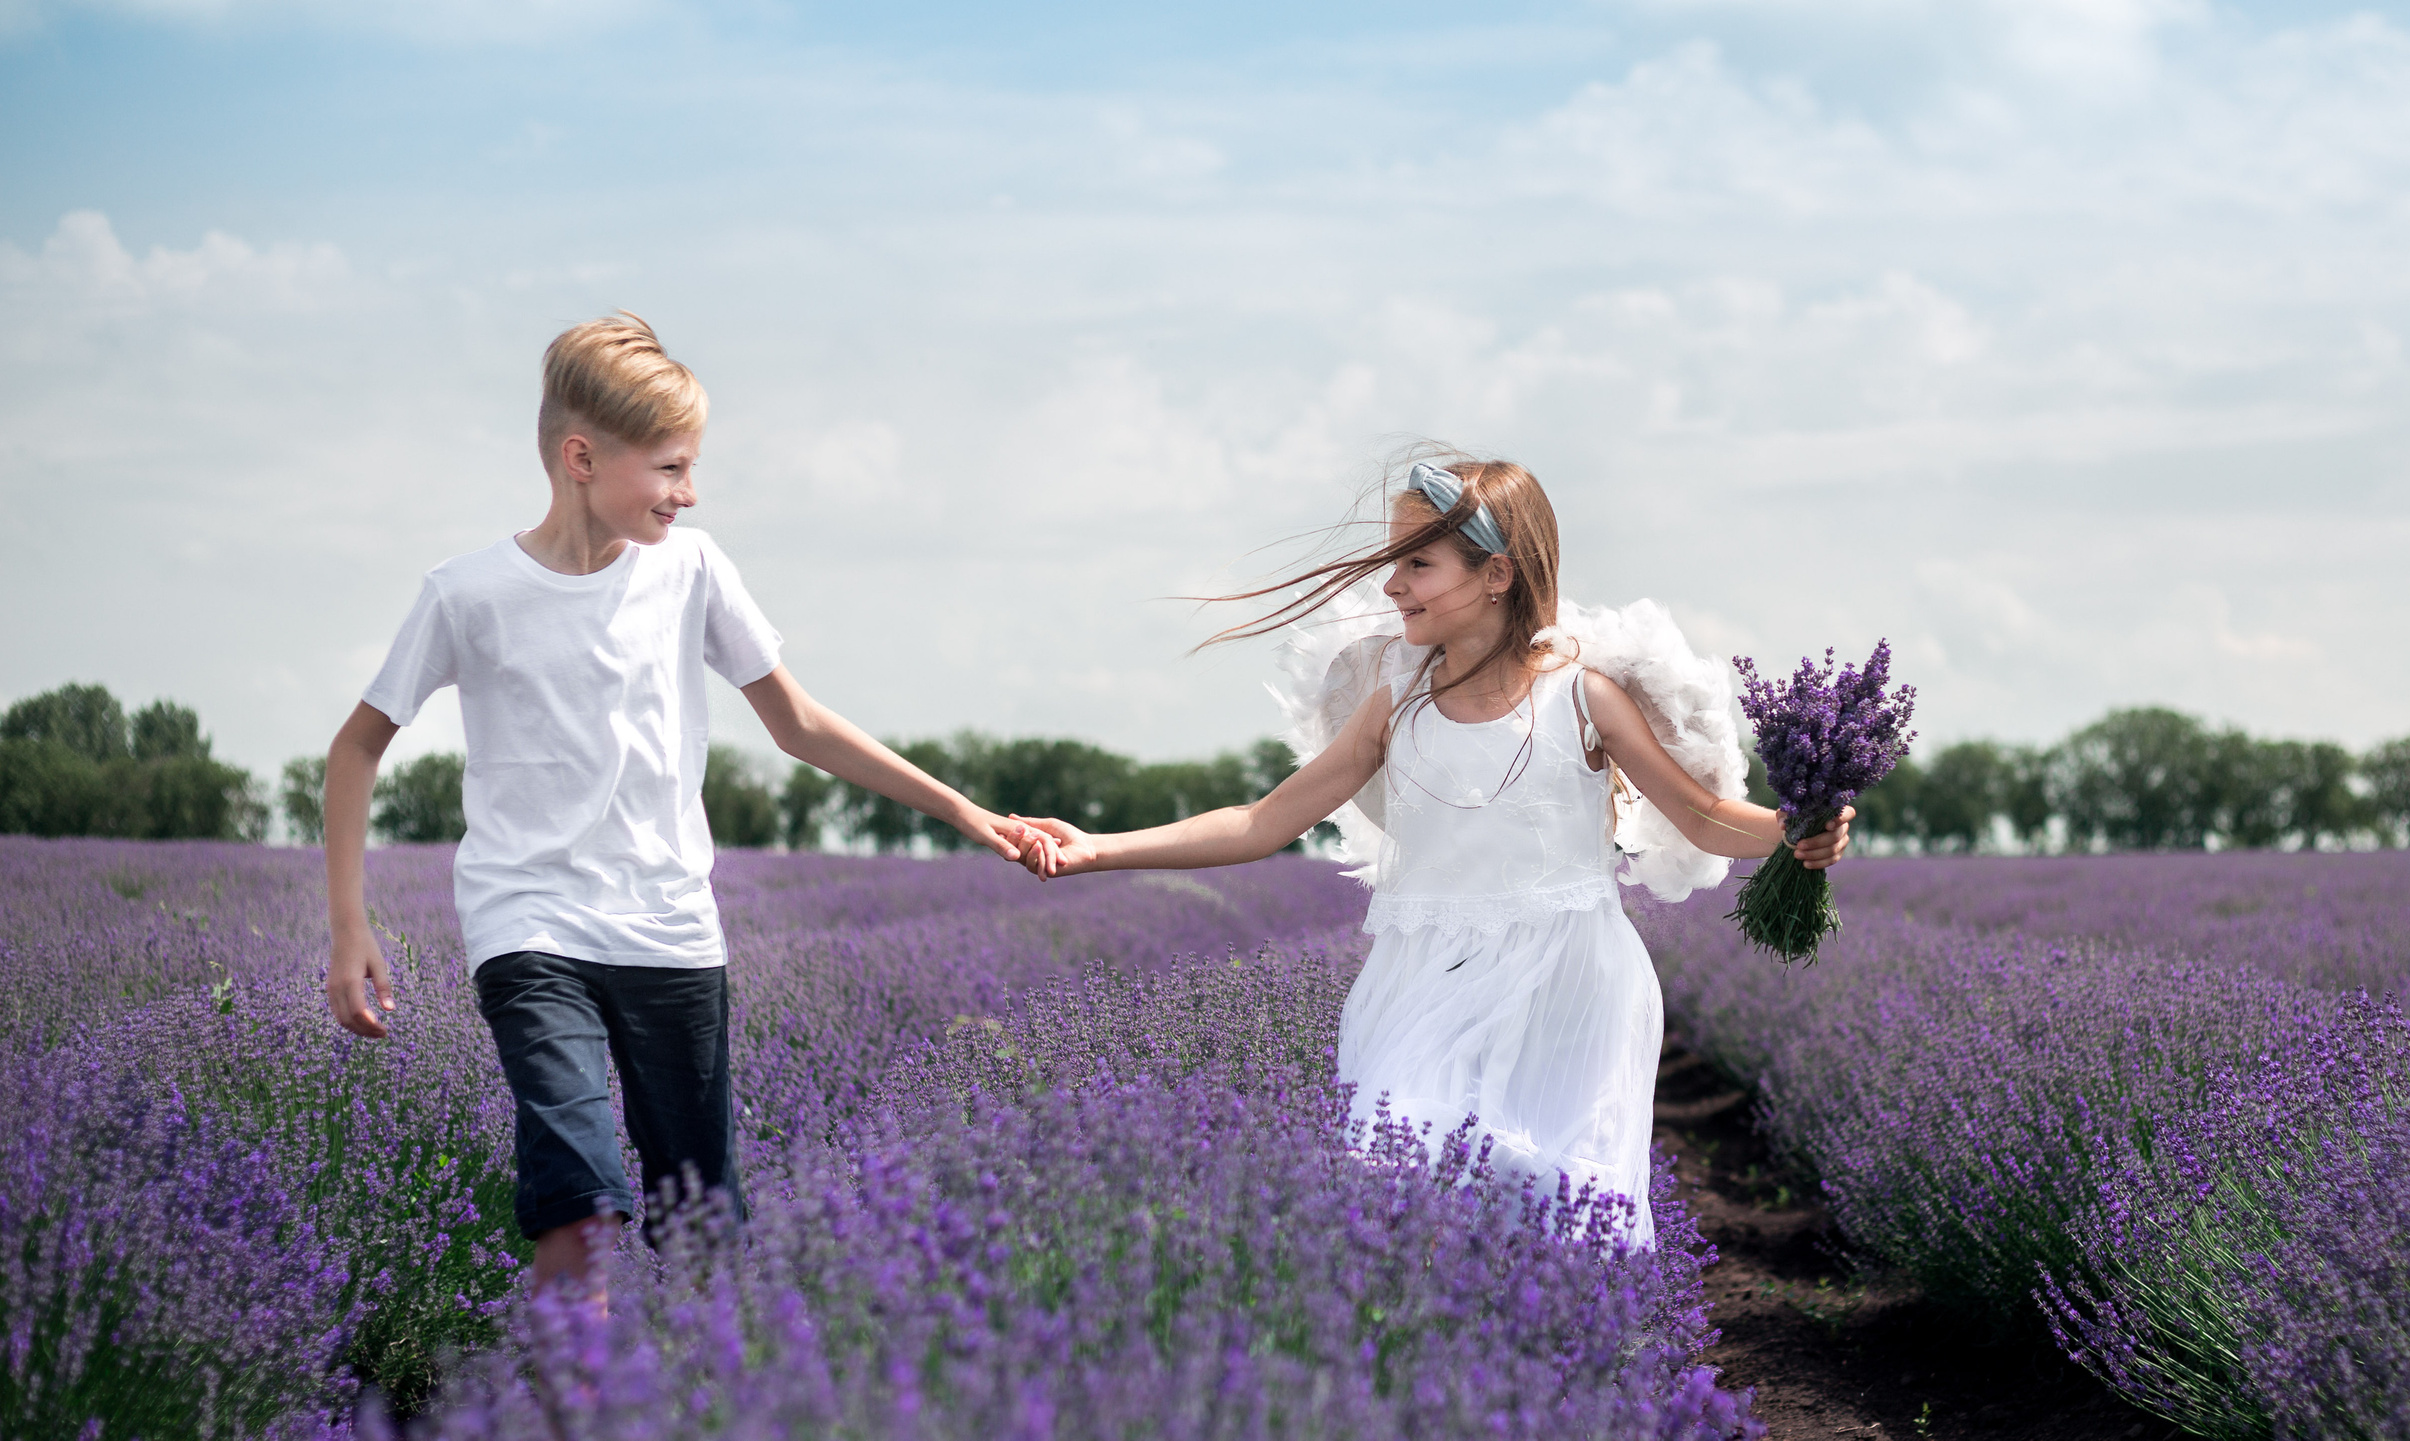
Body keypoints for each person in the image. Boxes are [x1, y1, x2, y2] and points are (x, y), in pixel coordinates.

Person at [321, 313, 1033, 1302]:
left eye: (688, 468)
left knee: (699, 1227)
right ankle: (579, 1404)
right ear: (581, 457)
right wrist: (350, 924)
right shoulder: (469, 593)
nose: (686, 491)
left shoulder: (693, 569)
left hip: (669, 930)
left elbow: (801, 725)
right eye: (667, 467)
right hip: (529, 925)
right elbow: (358, 745)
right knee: (579, 1199)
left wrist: (963, 811)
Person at [1009, 451, 1852, 1245]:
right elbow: (1265, 820)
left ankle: (1565, 1386)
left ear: (1496, 574)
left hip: (1568, 981)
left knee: (1561, 1213)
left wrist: (1796, 829)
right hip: (1422, 981)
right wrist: (1098, 848)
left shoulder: (1583, 697)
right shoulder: (1393, 700)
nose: (1392, 582)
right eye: (1396, 561)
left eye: (1418, 563)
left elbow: (1703, 814)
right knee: (1401, 1182)